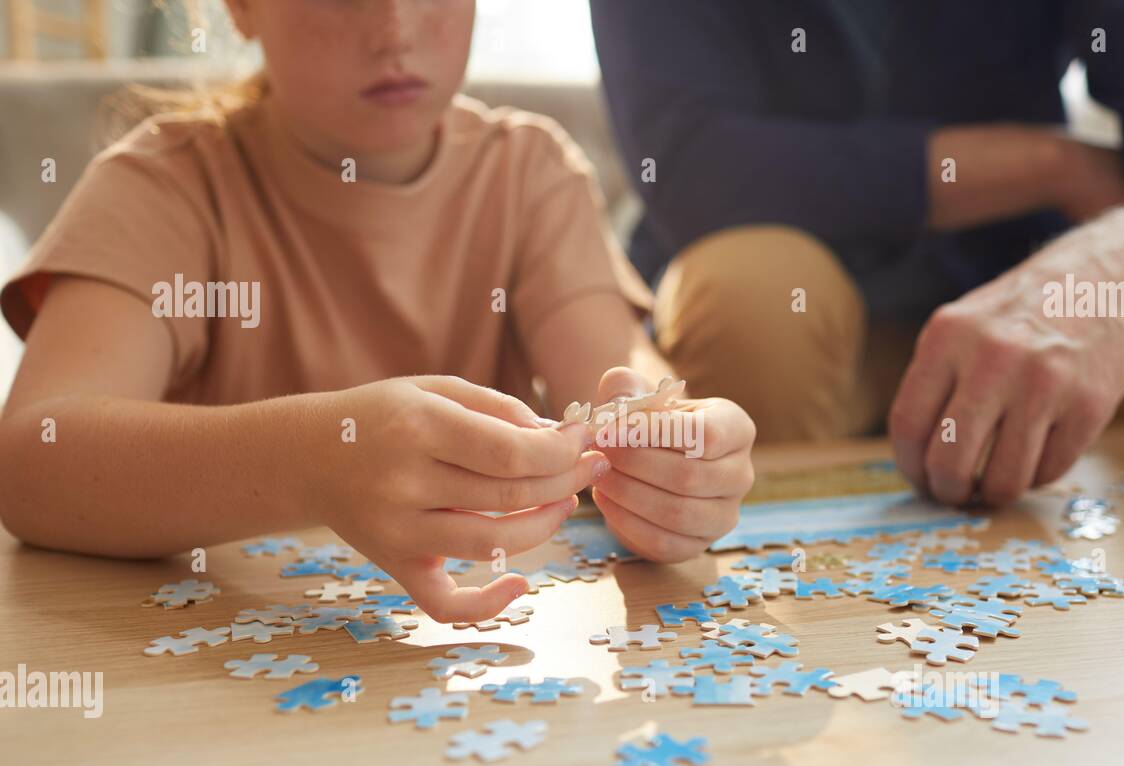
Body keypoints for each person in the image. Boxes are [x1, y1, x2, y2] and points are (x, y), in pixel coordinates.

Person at [0, 0, 756, 623]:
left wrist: (675, 456)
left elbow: (622, 380)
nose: (394, 28)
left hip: (464, 680)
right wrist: (314, 457)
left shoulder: (531, 172)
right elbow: (34, 456)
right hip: (210, 677)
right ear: (241, 9)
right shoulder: (162, 185)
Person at [591, 0, 1124, 505]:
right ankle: (746, 604)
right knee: (754, 292)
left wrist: (1117, 265)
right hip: (781, 325)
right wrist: (1051, 165)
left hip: (1009, 286)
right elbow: (693, 170)